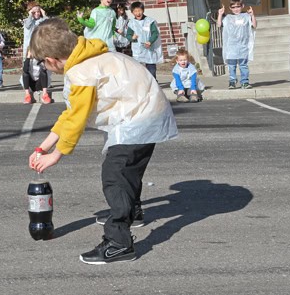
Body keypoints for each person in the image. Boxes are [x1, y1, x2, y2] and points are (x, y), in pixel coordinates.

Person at [27, 18, 178, 265]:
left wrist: (56, 154)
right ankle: (133, 211)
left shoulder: (81, 72)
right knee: (127, 169)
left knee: (115, 174)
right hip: (144, 113)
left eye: (44, 62)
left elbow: (77, 119)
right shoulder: (89, 54)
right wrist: (44, 146)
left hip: (138, 118)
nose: (46, 67)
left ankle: (119, 243)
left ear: (52, 60)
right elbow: (70, 114)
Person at [217, 0, 257, 90]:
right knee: (231, 65)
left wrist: (252, 15)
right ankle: (232, 81)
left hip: (243, 46)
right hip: (231, 47)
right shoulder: (228, 18)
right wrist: (220, 14)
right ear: (230, 8)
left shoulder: (246, 17)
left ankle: (245, 82)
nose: (236, 9)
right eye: (233, 7)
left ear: (242, 6)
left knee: (243, 65)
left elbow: (254, 25)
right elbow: (219, 25)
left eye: (238, 6)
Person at [125, 1, 164, 79]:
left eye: (139, 10)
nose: (138, 13)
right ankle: (141, 83)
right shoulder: (131, 23)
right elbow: (128, 35)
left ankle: (153, 82)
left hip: (149, 48)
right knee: (138, 68)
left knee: (151, 67)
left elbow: (155, 33)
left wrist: (150, 41)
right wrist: (132, 38)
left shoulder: (150, 21)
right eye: (135, 11)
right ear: (132, 12)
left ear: (143, 10)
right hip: (138, 49)